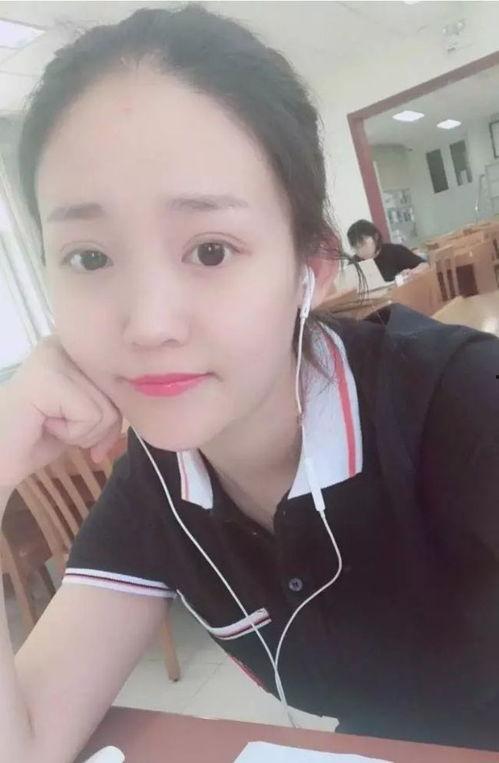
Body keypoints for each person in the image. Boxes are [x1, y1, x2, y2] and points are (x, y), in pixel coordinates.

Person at [1, 6, 499, 761]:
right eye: (89, 258)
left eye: (211, 249)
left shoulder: (463, 407)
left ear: (312, 269)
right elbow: (24, 744)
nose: (148, 325)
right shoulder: (158, 482)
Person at [347, 219, 428, 282]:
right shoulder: (353, 264)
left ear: (375, 237)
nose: (361, 251)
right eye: (356, 248)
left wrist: (412, 272)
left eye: (363, 244)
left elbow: (425, 265)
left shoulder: (395, 251)